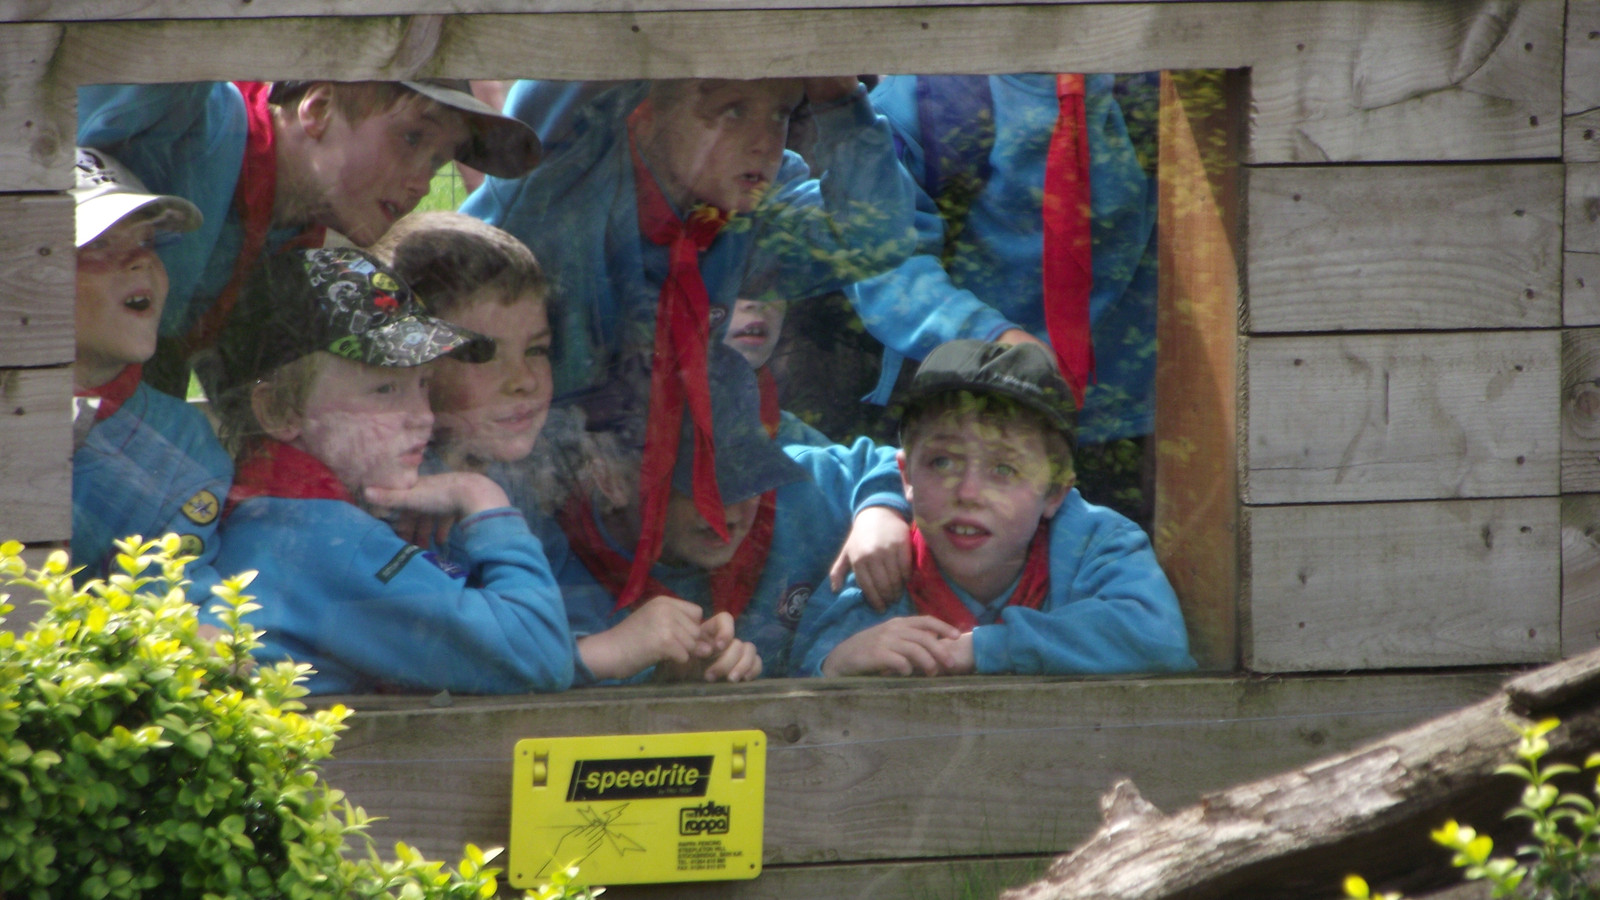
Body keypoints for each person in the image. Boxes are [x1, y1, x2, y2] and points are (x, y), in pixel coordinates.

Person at [461, 75, 917, 614]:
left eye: (779, 115)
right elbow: (564, 82)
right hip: (494, 466)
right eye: (730, 111)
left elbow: (872, 238)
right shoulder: (565, 176)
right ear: (647, 113)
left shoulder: (740, 214)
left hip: (633, 491)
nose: (763, 142)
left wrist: (839, 98)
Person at [373, 211, 760, 685]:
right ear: (407, 367)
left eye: (536, 349)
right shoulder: (384, 503)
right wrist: (607, 652)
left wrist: (671, 667)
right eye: (482, 353)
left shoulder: (522, 481)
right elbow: (443, 666)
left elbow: (569, 625)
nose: (524, 380)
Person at [207, 246, 574, 695]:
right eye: (384, 389)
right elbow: (539, 655)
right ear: (279, 410)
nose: (423, 416)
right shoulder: (329, 539)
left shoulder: (277, 515)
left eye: (422, 385)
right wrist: (483, 498)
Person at [76, 78, 543, 394]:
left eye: (438, 162)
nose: (421, 184)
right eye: (412, 139)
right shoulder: (192, 113)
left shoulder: (293, 245)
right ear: (318, 110)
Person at [847, 74, 1159, 519]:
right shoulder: (924, 98)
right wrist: (995, 341)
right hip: (965, 418)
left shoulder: (1156, 85)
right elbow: (883, 264)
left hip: (1123, 423)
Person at [793, 339, 1194, 678]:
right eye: (942, 463)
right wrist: (835, 664)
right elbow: (802, 673)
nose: (969, 492)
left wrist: (984, 649)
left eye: (1004, 469)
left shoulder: (1094, 543)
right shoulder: (880, 565)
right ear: (906, 477)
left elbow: (1157, 640)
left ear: (1055, 493)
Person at [542, 343, 913, 681]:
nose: (729, 513)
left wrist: (880, 509)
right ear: (609, 477)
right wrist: (666, 683)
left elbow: (901, 464)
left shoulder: (796, 494)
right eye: (701, 487)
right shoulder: (555, 571)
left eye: (748, 476)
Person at [69, 146, 232, 601]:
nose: (141, 261)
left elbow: (179, 600)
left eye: (146, 242)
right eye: (98, 244)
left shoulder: (184, 445)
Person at [723, 296, 831, 448]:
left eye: (773, 284)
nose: (758, 302)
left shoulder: (808, 448)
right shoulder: (680, 430)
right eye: (738, 284)